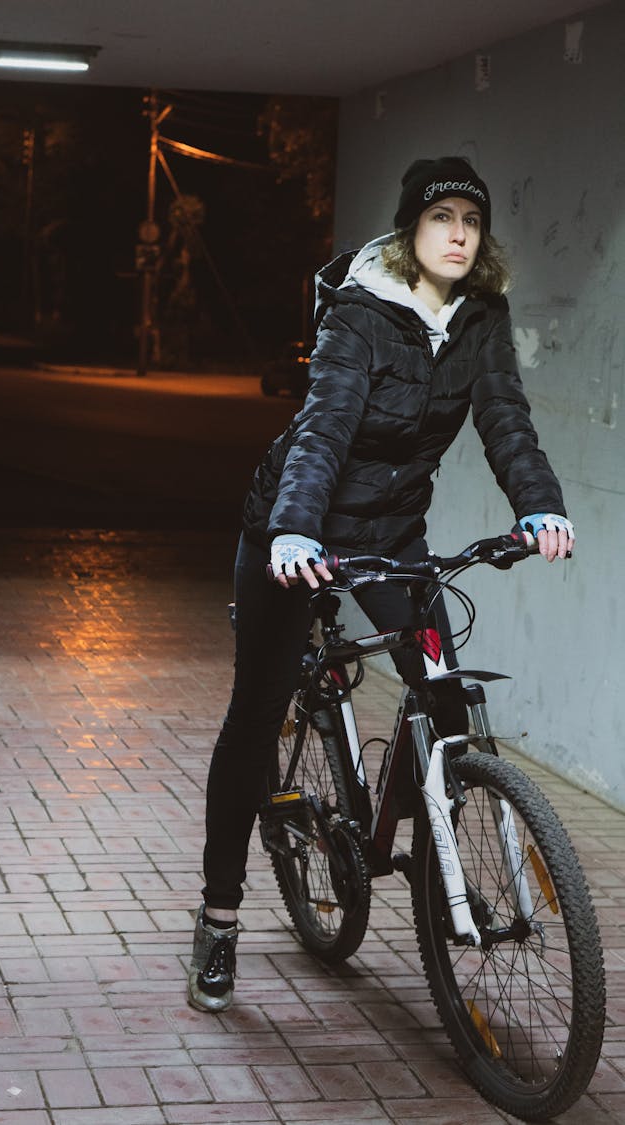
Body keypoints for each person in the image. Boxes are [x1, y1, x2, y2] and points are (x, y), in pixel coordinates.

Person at [187, 156, 574, 1013]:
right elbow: (324, 426)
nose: (459, 234)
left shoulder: (481, 315)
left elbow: (505, 418)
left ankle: (435, 859)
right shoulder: (360, 316)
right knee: (254, 716)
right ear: (410, 232)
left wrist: (540, 508)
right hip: (295, 530)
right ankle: (219, 917)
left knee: (442, 693)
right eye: (441, 219)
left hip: (393, 535)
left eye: (471, 221)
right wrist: (293, 526)